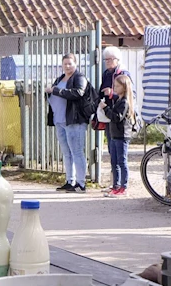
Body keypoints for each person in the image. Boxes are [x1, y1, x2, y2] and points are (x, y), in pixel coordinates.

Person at [48, 53, 91, 192]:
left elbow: (78, 93)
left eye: (70, 63)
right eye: (65, 64)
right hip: (60, 120)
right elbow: (55, 93)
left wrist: (56, 90)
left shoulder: (79, 77)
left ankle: (81, 183)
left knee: (77, 151)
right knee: (66, 153)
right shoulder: (60, 78)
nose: (67, 66)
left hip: (74, 120)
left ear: (75, 64)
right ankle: (69, 180)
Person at [99, 47, 133, 195]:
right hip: (111, 123)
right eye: (106, 59)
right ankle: (115, 184)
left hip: (120, 126)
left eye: (110, 59)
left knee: (121, 159)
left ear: (118, 60)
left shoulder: (123, 74)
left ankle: (122, 186)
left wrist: (111, 95)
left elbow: (119, 114)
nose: (107, 62)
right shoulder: (106, 74)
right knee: (113, 156)